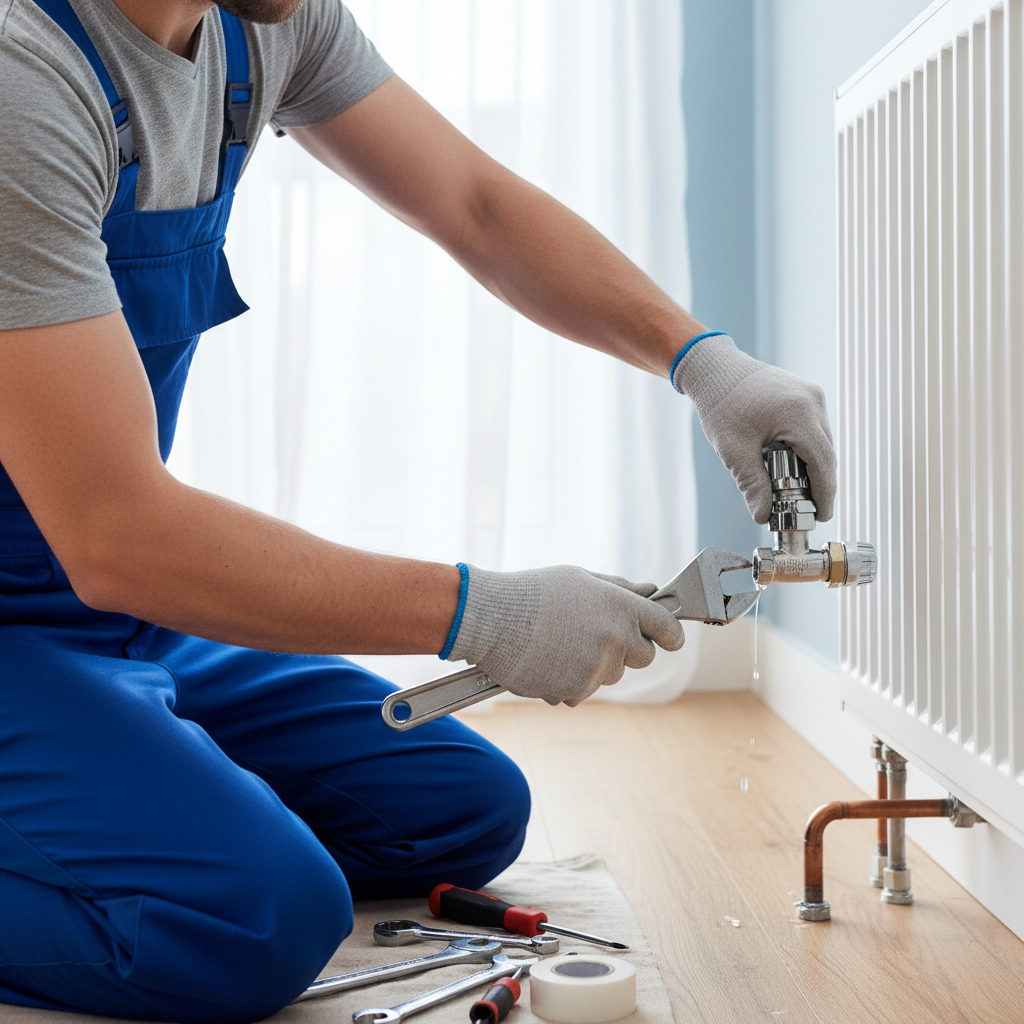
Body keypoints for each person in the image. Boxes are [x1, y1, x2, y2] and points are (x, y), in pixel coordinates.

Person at [0, 0, 837, 1020]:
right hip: (63, 595)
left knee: (455, 809)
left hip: (109, 619)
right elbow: (118, 536)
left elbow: (475, 203)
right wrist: (485, 612)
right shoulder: (22, 82)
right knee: (256, 917)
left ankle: (115, 782)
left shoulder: (264, 21)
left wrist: (703, 361)